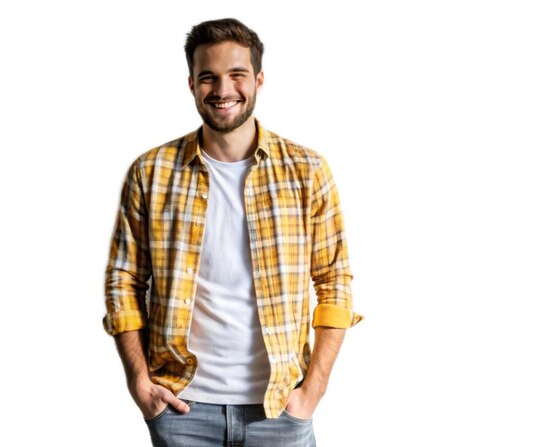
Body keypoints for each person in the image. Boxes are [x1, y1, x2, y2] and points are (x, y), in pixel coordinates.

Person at [102, 17, 362, 446]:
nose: (223, 90)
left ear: (258, 79)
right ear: (191, 83)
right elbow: (124, 280)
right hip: (182, 409)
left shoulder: (307, 171)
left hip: (280, 411)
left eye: (237, 75)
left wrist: (311, 393)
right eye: (209, 77)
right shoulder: (151, 173)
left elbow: (335, 283)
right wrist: (139, 383)